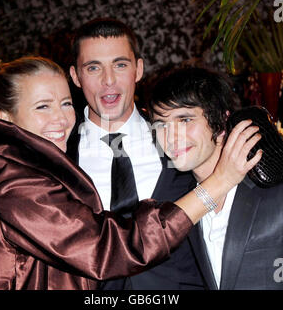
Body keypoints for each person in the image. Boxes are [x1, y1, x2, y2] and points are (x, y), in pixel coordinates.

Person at [0, 57, 261, 290]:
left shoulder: (8, 165)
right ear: (6, 117)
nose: (60, 120)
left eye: (65, 103)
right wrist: (219, 182)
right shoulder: (13, 185)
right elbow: (109, 248)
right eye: (42, 107)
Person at [147, 67, 283, 290]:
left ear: (220, 121)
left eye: (185, 119)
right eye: (161, 124)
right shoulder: (180, 203)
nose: (171, 137)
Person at [67, 18, 206, 289]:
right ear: (75, 76)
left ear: (138, 69)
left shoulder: (183, 141)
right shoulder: (55, 156)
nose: (108, 80)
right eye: (93, 67)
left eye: (120, 65)